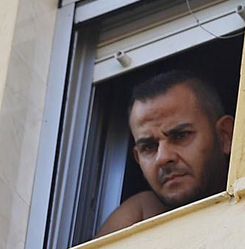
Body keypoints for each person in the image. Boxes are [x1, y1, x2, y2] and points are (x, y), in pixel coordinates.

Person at [95, 70, 236, 237]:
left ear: (224, 136)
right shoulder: (140, 216)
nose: (162, 157)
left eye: (181, 136)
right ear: (138, 159)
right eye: (148, 147)